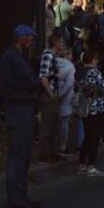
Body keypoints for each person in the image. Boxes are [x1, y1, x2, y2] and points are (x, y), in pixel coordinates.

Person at [0, 25, 41, 208]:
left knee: (21, 154)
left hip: (21, 107)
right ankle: (17, 197)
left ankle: (20, 195)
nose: (31, 41)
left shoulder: (15, 57)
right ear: (21, 37)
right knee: (18, 154)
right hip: (19, 108)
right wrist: (36, 84)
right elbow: (30, 80)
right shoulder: (13, 58)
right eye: (29, 38)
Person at [77, 50, 104, 177]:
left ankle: (81, 164)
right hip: (96, 106)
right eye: (95, 59)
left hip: (84, 106)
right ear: (92, 59)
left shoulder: (79, 71)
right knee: (94, 136)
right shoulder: (94, 72)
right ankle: (91, 165)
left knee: (87, 135)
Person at [38, 33, 64, 163]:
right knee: (47, 124)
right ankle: (44, 154)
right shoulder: (48, 56)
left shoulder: (54, 56)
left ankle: (54, 151)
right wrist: (50, 93)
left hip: (54, 93)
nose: (62, 44)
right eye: (61, 41)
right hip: (50, 95)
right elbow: (43, 76)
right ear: (56, 42)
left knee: (55, 124)